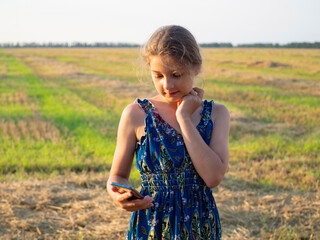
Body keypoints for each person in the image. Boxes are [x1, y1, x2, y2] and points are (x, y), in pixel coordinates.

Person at [107, 25, 230, 239]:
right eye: (158, 76)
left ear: (196, 67)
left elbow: (213, 177)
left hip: (199, 225)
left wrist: (184, 119)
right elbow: (117, 177)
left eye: (176, 74)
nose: (167, 84)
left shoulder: (217, 114)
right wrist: (119, 196)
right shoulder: (135, 114)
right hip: (151, 225)